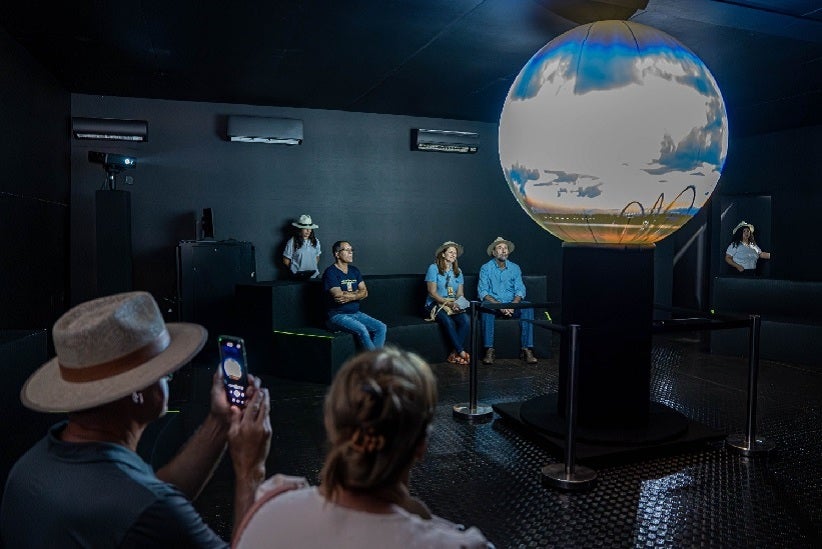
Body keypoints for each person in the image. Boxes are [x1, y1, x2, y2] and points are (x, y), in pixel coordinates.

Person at [0, 291, 272, 548]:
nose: (170, 377)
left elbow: (151, 495)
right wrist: (250, 469)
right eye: (164, 372)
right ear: (137, 393)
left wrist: (219, 423)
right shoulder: (147, 508)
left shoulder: (27, 470)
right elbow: (151, 506)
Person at [233, 347, 491, 548]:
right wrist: (422, 517)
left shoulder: (269, 512)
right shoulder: (456, 544)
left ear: (330, 425)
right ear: (421, 445)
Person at [478, 236, 537, 365]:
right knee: (485, 307)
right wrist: (499, 306)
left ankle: (526, 349)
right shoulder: (486, 268)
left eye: (505, 248)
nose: (503, 250)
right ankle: (489, 349)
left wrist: (513, 306)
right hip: (494, 305)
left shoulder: (515, 268)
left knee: (528, 306)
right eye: (500, 247)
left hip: (512, 305)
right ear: (493, 252)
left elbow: (520, 289)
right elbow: (483, 292)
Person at [322, 240, 387, 350]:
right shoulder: (330, 272)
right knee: (362, 329)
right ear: (337, 254)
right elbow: (339, 297)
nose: (351, 252)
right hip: (337, 315)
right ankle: (376, 364)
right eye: (347, 250)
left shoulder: (354, 271)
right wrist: (357, 294)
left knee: (381, 327)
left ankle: (374, 362)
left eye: (351, 250)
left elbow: (365, 292)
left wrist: (350, 295)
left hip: (355, 313)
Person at [424, 241, 470, 365]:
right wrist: (449, 304)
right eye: (450, 252)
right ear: (443, 254)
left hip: (452, 304)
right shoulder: (433, 268)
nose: (453, 254)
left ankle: (453, 354)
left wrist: (460, 303)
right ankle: (460, 352)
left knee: (466, 320)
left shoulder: (458, 271)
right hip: (435, 304)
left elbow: (460, 294)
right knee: (448, 321)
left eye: (455, 253)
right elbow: (432, 292)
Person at [283, 214, 322, 279]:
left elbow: (317, 257)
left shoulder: (315, 241)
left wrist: (310, 268)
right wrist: (295, 270)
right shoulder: (292, 241)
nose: (308, 231)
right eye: (305, 229)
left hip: (314, 276)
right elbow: (286, 260)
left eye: (310, 229)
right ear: (300, 229)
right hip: (298, 277)